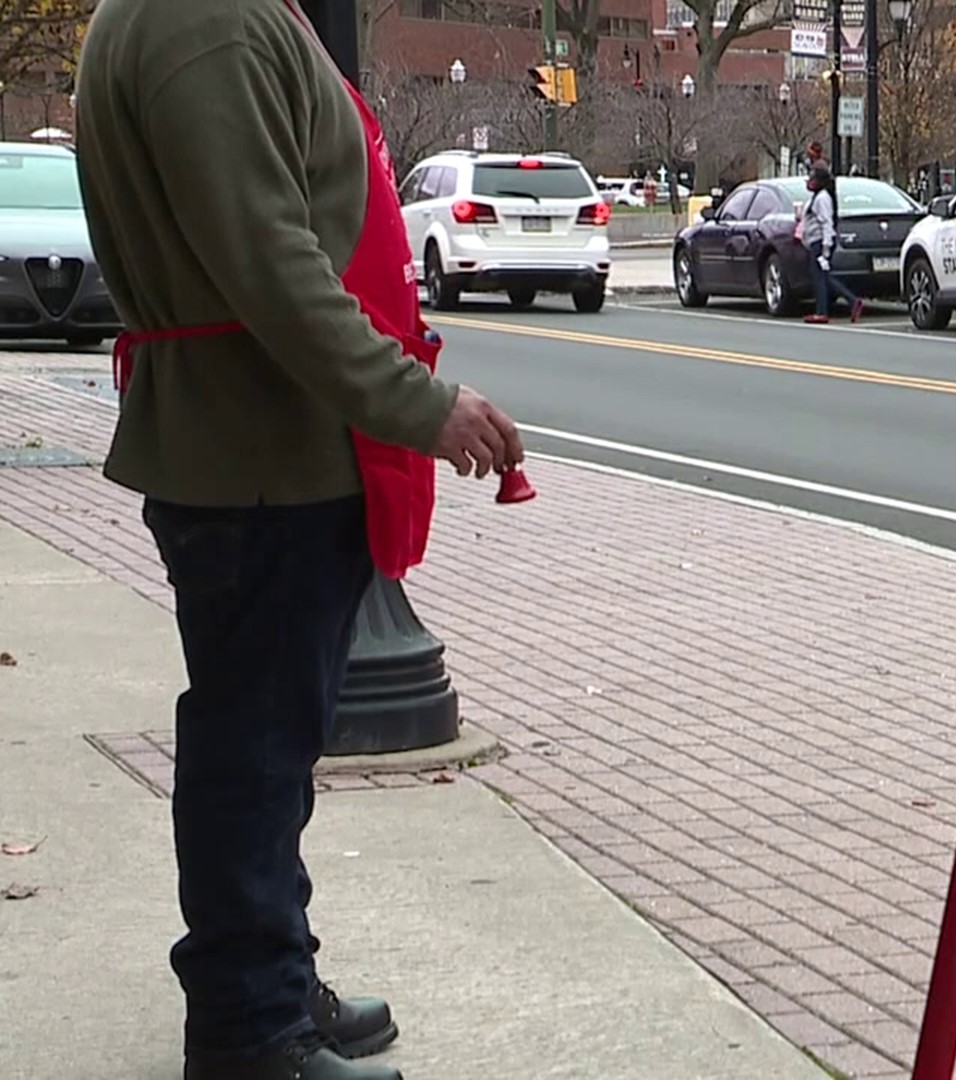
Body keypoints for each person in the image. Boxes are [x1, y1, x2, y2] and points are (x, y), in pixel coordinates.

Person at [72, 0, 524, 1078]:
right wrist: (418, 403)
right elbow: (269, 259)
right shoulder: (203, 20)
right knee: (254, 754)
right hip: (259, 458)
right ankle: (249, 1030)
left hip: (253, 451)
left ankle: (271, 979)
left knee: (264, 747)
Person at [801, 164, 864, 325]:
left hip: (820, 242)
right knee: (823, 277)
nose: (809, 181)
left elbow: (826, 223)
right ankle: (852, 301)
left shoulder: (823, 198)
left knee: (820, 277)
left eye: (812, 178)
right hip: (815, 241)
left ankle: (823, 311)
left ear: (820, 181)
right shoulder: (817, 197)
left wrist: (826, 248)